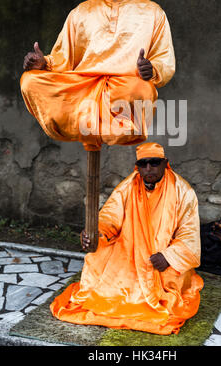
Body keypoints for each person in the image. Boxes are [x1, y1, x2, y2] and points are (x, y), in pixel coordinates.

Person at [20, 0, 175, 151]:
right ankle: (90, 125)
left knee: (142, 90)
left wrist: (152, 69)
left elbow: (164, 58)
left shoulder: (153, 12)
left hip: (123, 88)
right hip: (83, 86)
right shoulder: (81, 12)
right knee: (29, 81)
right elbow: (63, 57)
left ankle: (100, 126)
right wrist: (43, 62)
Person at [50, 142, 204, 335]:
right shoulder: (128, 186)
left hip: (161, 258)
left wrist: (169, 256)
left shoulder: (183, 191)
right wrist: (95, 233)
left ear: (165, 163)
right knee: (98, 255)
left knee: (172, 280)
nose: (148, 169)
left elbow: (189, 234)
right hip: (128, 252)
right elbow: (109, 218)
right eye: (143, 164)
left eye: (154, 163)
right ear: (137, 166)